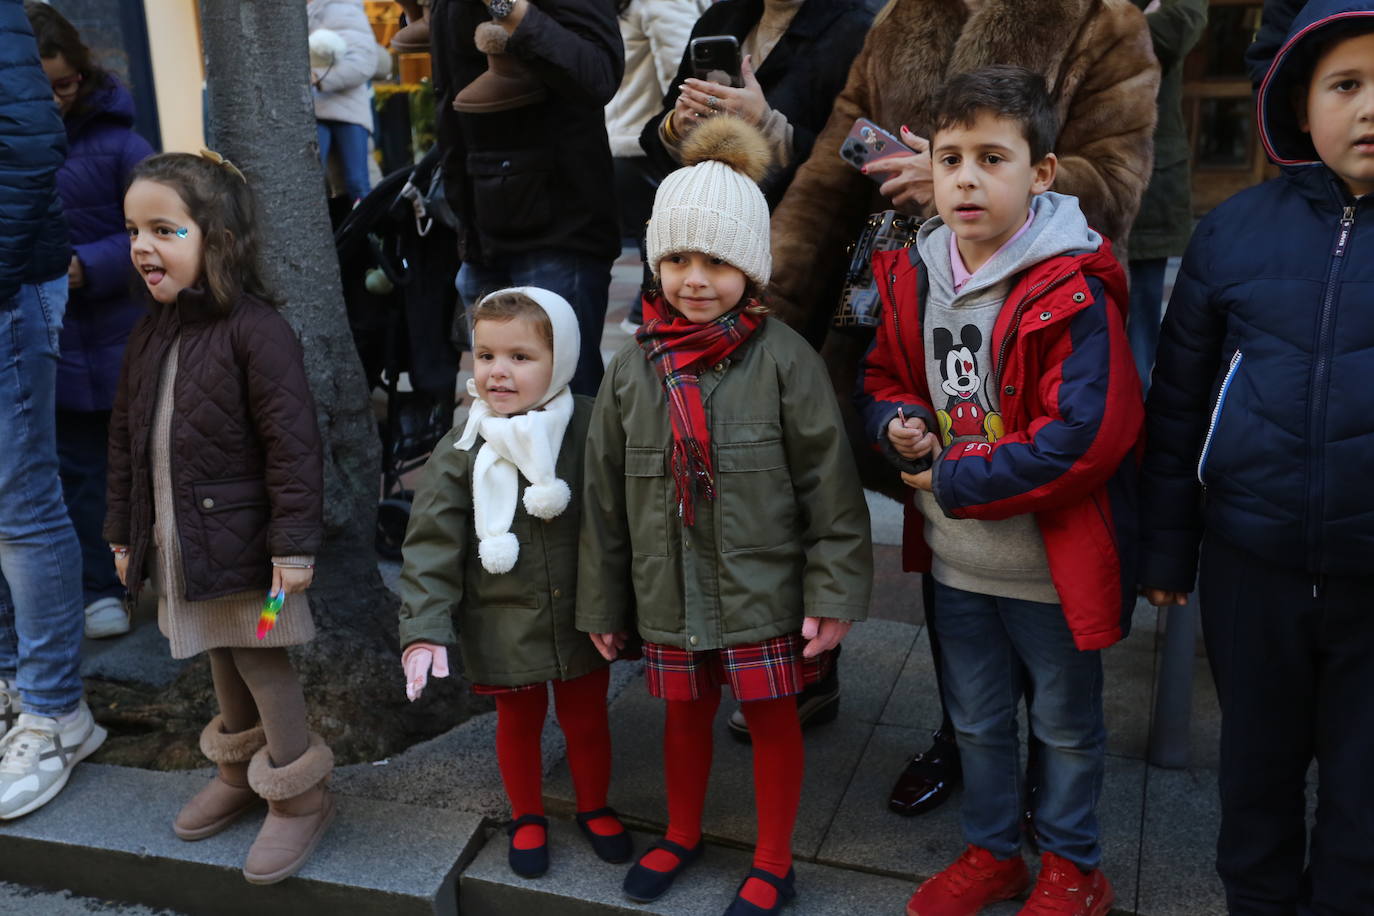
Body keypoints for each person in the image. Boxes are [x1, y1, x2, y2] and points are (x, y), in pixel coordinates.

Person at [766, 0, 1158, 821]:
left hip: (1040, 323)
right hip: (923, 307)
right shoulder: (901, 18)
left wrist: (963, 178)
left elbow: (1117, 183)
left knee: (1044, 560)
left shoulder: (1099, 19)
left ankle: (1054, 790)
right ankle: (962, 734)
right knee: (951, 550)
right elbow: (829, 177)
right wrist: (767, 306)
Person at [855, 67, 1143, 916]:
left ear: (1041, 172)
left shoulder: (1071, 288)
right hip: (959, 562)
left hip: (1048, 569)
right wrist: (899, 420)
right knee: (975, 722)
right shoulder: (913, 272)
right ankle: (992, 855)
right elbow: (887, 374)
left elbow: (1085, 437)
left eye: (992, 157)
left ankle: (1072, 867)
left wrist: (951, 474)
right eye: (949, 159)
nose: (967, 179)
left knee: (1063, 728)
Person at [578, 116, 873, 916]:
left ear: (752, 266)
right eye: (676, 257)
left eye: (716, 259)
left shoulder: (786, 361)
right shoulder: (633, 369)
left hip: (761, 587)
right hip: (667, 588)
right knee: (682, 714)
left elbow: (830, 487)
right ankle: (681, 831)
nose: (694, 278)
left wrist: (833, 590)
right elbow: (604, 495)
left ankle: (773, 858)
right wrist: (602, 603)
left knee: (774, 717)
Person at [1140, 5, 1374, 912]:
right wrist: (1168, 550)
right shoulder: (1233, 233)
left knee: (1363, 812)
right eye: (1346, 85)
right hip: (1252, 571)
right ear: (1299, 105)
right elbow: (1179, 405)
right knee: (1256, 787)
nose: (1367, 108)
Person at [106, 151, 332, 884]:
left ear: (216, 238)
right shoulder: (152, 332)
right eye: (134, 229)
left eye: (164, 229)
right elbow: (123, 440)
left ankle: (299, 793)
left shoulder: (255, 330)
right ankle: (238, 773)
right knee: (217, 652)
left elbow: (293, 444)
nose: (143, 245)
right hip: (185, 549)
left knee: (262, 654)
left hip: (254, 555)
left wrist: (294, 545)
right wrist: (121, 532)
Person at [397, 286, 630, 879]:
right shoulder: (460, 448)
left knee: (586, 718)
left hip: (582, 615)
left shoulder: (590, 431)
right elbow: (430, 547)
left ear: (563, 362)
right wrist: (423, 630)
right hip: (498, 617)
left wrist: (617, 604)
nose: (498, 372)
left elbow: (615, 522)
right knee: (518, 722)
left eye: (520, 358)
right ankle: (528, 815)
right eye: (485, 356)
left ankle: (594, 805)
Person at [0, 0, 105, 822]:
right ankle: (14, 691)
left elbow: (28, 138)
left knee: (21, 506)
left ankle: (55, 713)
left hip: (7, 282)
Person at [26, 1, 155, 640]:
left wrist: (93, 264)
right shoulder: (16, 152)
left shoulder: (120, 145)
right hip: (55, 350)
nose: (53, 101)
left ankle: (149, 580)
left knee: (142, 467)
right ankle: (102, 589)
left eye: (65, 85)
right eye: (38, 87)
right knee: (79, 476)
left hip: (122, 335)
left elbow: (173, 228)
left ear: (83, 73)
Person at [429, 0, 624, 397]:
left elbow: (598, 75)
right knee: (498, 405)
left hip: (556, 225)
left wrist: (508, 7)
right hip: (478, 223)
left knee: (565, 404)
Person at [1125, 0, 1207, 393]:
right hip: (1067, 175)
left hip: (1145, 179)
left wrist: (1092, 30)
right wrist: (1139, 22)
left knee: (1139, 339)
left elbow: (1174, 29)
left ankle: (1139, 447)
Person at [308, 0, 377, 202]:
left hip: (348, 111)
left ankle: (366, 232)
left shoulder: (344, 9)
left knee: (357, 183)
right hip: (316, 110)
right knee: (314, 183)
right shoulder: (304, 12)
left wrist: (318, 77)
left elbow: (363, 62)